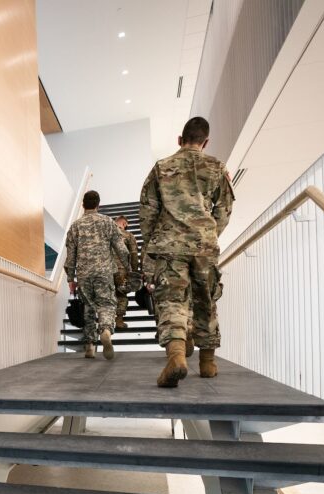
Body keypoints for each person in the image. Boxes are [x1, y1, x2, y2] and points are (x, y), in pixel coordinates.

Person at [139, 116, 234, 387]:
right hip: (204, 244)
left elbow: (147, 210)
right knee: (206, 298)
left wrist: (152, 243)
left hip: (169, 245)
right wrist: (209, 233)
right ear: (206, 142)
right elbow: (224, 210)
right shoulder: (217, 167)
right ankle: (207, 363)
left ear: (179, 140)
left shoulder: (161, 167)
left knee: (172, 300)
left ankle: (177, 356)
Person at [65, 190, 129, 359]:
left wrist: (71, 279)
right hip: (104, 272)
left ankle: (90, 346)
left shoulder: (75, 226)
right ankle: (106, 330)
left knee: (88, 307)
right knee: (106, 304)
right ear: (98, 204)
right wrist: (129, 268)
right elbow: (122, 250)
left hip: (84, 274)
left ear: (83, 205)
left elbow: (70, 256)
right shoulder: (108, 222)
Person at [112, 216, 140, 329]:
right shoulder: (128, 235)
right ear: (124, 224)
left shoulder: (105, 233)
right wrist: (134, 271)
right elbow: (133, 254)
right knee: (121, 294)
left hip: (104, 270)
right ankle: (119, 320)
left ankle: (105, 323)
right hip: (121, 271)